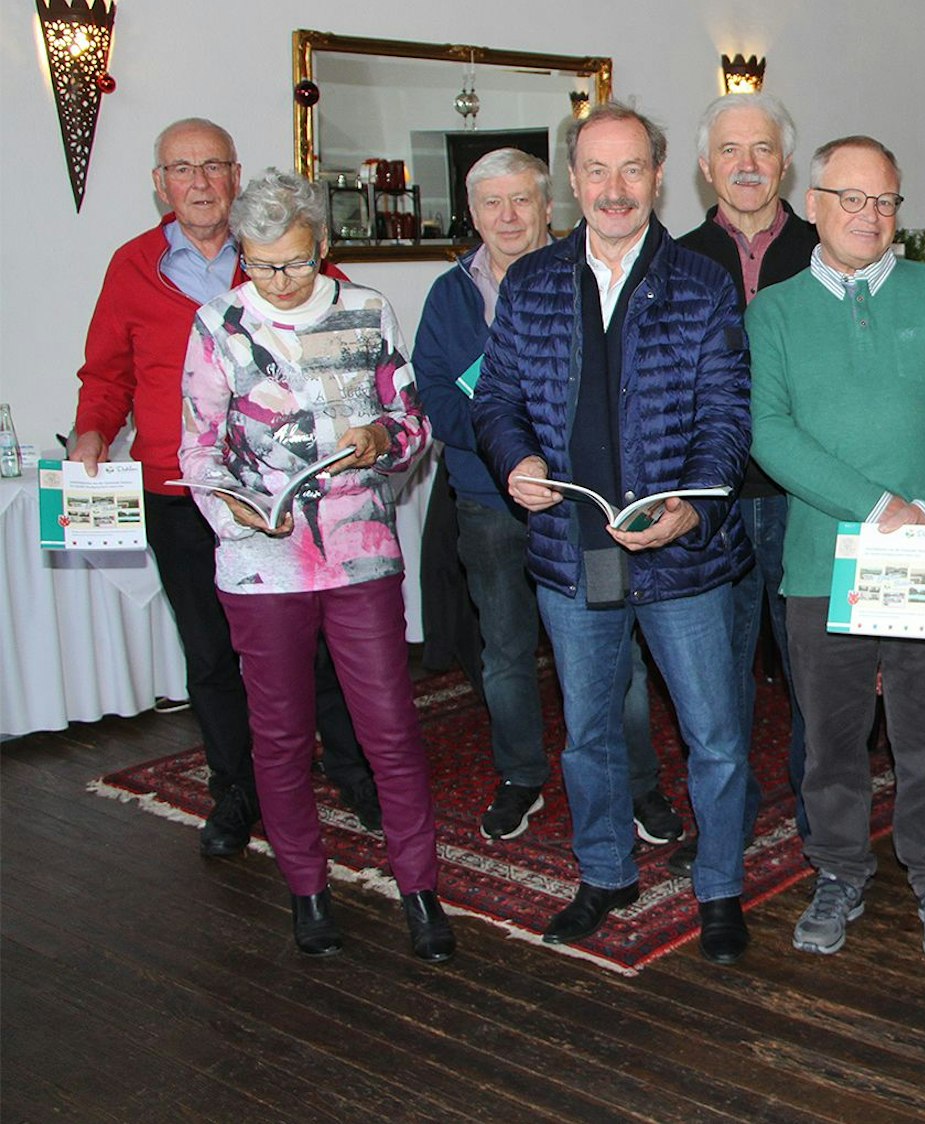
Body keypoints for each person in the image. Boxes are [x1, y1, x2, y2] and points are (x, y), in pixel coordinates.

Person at [472, 102, 757, 964]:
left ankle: (718, 887)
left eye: (632, 169)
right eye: (596, 171)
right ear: (572, 181)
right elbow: (495, 401)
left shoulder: (701, 281)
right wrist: (514, 459)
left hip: (683, 555)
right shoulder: (530, 282)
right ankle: (605, 872)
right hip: (573, 548)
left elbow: (727, 416)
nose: (614, 188)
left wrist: (694, 508)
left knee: (713, 735)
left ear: (660, 176)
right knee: (589, 731)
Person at [70, 118, 377, 855]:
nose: (199, 182)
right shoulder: (131, 267)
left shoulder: (279, 260)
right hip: (177, 494)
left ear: (236, 176)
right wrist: (89, 429)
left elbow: (341, 357)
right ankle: (238, 792)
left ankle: (352, 773)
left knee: (316, 649)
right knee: (210, 656)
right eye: (182, 168)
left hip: (286, 494)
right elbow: (107, 373)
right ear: (159, 184)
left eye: (213, 166)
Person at [177, 170, 449, 962]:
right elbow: (199, 449)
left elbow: (411, 422)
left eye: (296, 263)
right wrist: (234, 504)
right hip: (264, 563)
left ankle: (420, 889)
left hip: (360, 549)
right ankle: (307, 890)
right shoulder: (217, 325)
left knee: (390, 730)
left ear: (322, 249)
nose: (281, 282)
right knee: (281, 736)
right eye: (262, 265)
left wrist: (385, 441)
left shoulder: (364, 310)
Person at [748, 136, 925, 960]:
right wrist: (875, 505)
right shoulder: (773, 311)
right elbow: (768, 433)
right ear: (811, 202)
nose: (869, 215)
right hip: (824, 567)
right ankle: (838, 870)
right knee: (832, 739)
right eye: (850, 198)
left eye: (884, 201)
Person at [410, 148, 668, 847]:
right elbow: (435, 393)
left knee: (619, 649)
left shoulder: (585, 275)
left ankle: (639, 782)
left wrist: (549, 448)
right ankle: (521, 774)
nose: (507, 216)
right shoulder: (449, 296)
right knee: (505, 650)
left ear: (548, 205)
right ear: (472, 214)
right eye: (492, 203)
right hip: (490, 501)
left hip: (586, 502)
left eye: (521, 200)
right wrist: (511, 448)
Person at [676, 92, 821, 875]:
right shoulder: (674, 259)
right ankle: (722, 826)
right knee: (715, 684)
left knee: (812, 675)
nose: (746, 165)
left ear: (784, 162)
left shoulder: (829, 248)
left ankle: (816, 818)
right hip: (713, 502)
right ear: (705, 167)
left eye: (761, 149)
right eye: (730, 151)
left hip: (804, 499)